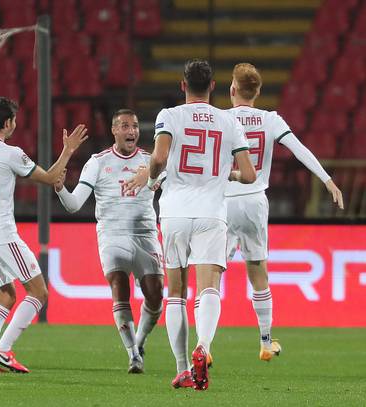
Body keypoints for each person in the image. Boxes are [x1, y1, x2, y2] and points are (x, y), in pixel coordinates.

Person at [129, 59, 256, 390]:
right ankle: (205, 347)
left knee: (175, 292)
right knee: (209, 287)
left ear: (182, 85)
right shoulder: (229, 121)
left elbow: (157, 158)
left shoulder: (169, 116)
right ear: (213, 86)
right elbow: (250, 173)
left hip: (174, 212)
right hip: (212, 213)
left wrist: (153, 178)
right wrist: (224, 173)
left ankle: (184, 367)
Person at [0, 97, 87, 373]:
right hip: (1, 232)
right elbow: (52, 178)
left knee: (4, 297)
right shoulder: (10, 153)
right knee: (38, 292)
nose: (15, 125)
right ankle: (2, 351)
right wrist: (68, 151)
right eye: (14, 120)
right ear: (7, 123)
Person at [224, 63, 344, 361]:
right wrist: (327, 180)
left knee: (211, 272)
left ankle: (204, 346)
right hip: (253, 201)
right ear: (259, 91)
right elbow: (299, 149)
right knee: (258, 270)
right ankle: (265, 342)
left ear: (232, 90)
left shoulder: (221, 119)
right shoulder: (270, 119)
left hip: (222, 201)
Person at [54, 109, 164, 374]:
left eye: (135, 126)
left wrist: (156, 180)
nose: (131, 131)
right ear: (114, 130)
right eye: (125, 126)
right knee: (119, 285)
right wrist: (60, 189)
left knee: (156, 296)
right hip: (112, 234)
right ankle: (133, 355)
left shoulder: (152, 161)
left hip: (145, 234)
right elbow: (74, 204)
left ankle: (140, 340)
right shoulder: (98, 162)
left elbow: (172, 186)